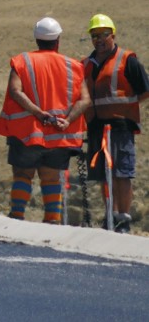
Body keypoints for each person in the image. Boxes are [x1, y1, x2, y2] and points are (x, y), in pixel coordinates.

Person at [0, 17, 90, 224]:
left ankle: (17, 215)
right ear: (58, 40)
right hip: (59, 135)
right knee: (51, 178)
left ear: (37, 40)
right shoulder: (73, 66)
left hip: (27, 132)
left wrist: (38, 113)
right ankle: (52, 220)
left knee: (22, 175)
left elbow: (15, 91)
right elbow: (85, 100)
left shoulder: (22, 61)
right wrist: (67, 120)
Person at [83, 13, 149, 233]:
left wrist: (126, 107)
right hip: (96, 126)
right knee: (104, 174)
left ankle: (123, 218)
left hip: (121, 126)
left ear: (113, 35)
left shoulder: (127, 60)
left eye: (103, 34)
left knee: (122, 172)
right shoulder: (86, 64)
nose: (99, 39)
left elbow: (144, 90)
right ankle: (110, 214)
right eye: (94, 36)